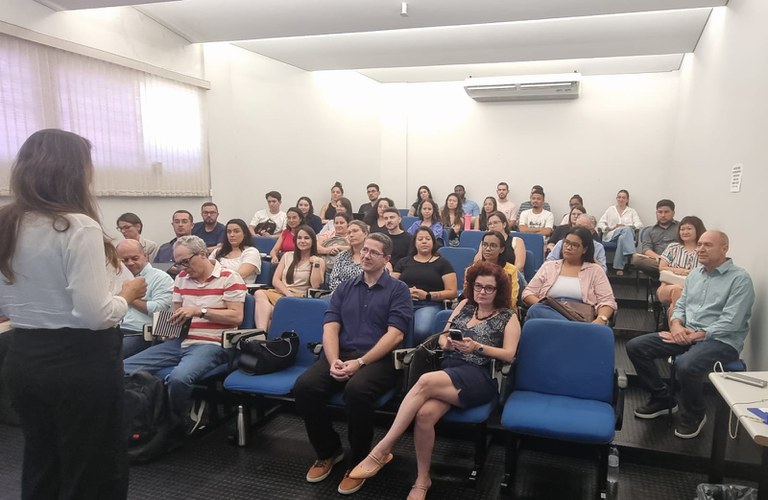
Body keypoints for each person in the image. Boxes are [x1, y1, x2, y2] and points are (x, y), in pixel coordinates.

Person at [0, 129, 147, 499]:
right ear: (73, 170)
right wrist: (127, 294)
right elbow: (96, 314)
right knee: (93, 471)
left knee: (42, 463)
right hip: (80, 362)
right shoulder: (76, 225)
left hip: (25, 357)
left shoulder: (6, 223)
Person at [348, 261, 519, 499]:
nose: (482, 291)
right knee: (425, 415)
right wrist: (447, 343)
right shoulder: (464, 305)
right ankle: (422, 480)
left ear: (498, 290)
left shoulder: (508, 316)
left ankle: (382, 450)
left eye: (489, 288)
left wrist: (477, 347)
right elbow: (441, 337)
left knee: (425, 381)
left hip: (478, 377)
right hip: (449, 370)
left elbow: (509, 354)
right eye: (478, 286)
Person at [293, 233, 413, 495]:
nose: (366, 256)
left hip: (379, 359)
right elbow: (330, 326)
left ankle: (359, 460)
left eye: (373, 252)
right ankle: (329, 451)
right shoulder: (345, 287)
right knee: (304, 387)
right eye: (365, 250)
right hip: (343, 353)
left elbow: (396, 335)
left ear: (387, 258)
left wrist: (360, 362)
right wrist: (334, 359)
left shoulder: (398, 290)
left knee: (357, 391)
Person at [626, 230, 754, 439]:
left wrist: (694, 335)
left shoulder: (740, 279)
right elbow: (681, 306)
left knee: (686, 365)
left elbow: (731, 322)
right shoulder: (695, 275)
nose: (700, 249)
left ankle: (695, 414)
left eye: (707, 245)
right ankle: (663, 398)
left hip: (721, 341)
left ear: (725, 248)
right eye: (699, 244)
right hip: (685, 333)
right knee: (636, 346)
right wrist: (676, 326)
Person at [124, 235, 246, 432]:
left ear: (202, 254)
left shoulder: (229, 277)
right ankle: (146, 414)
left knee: (179, 378)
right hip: (181, 341)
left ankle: (174, 422)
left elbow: (236, 316)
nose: (182, 268)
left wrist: (200, 311)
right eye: (178, 263)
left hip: (212, 343)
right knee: (124, 368)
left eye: (186, 262)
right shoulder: (181, 279)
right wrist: (166, 330)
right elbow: (176, 316)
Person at [523, 228, 617, 325]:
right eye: (566, 243)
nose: (568, 247)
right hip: (548, 312)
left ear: (584, 249)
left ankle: (573, 327)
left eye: (575, 245)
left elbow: (607, 301)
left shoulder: (595, 270)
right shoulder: (549, 266)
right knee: (535, 310)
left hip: (580, 315)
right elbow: (528, 293)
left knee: (536, 311)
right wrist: (545, 305)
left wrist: (601, 319)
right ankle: (575, 328)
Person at [393, 226, 458, 343]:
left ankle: (417, 353)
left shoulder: (443, 263)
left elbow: (452, 292)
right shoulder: (403, 262)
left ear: (433, 242)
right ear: (414, 243)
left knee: (421, 330)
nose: (424, 241)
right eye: (420, 239)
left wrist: (427, 295)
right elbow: (391, 286)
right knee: (391, 328)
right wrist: (405, 291)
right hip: (403, 303)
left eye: (427, 239)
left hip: (429, 304)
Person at [253, 226, 326, 329]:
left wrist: (316, 264)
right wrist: (288, 294)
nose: (302, 241)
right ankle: (262, 332)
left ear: (313, 241)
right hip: (283, 294)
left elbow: (315, 285)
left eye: (306, 238)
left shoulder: (319, 261)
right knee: (259, 293)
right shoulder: (287, 256)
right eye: (299, 238)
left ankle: (263, 331)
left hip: (300, 297)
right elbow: (275, 280)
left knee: (267, 312)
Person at [117, 239, 174, 358]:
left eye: (135, 258)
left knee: (107, 356)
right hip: (114, 331)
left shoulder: (161, 278)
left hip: (141, 334)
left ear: (145, 256)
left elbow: (159, 310)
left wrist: (128, 296)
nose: (130, 263)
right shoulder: (115, 278)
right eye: (124, 260)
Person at [655, 216, 706, 321]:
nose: (685, 232)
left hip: (693, 290)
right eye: (682, 229)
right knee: (677, 290)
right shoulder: (673, 248)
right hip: (667, 287)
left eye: (689, 229)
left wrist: (690, 273)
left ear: (698, 230)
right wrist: (680, 271)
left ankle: (675, 327)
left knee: (673, 307)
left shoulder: (703, 251)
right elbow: (662, 267)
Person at [468, 231, 520, 312]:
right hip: (477, 309)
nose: (487, 249)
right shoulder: (474, 268)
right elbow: (469, 295)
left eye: (493, 246)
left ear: (501, 249)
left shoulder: (511, 270)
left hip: (503, 310)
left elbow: (511, 300)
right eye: (485, 245)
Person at [597, 189, 643, 276]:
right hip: (612, 235)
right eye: (619, 197)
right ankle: (632, 254)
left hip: (626, 236)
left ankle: (619, 268)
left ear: (627, 200)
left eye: (623, 198)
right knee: (625, 230)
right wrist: (609, 228)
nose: (621, 199)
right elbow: (600, 224)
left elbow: (639, 224)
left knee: (623, 236)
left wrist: (627, 226)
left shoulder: (631, 211)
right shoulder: (610, 209)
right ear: (616, 198)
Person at [631, 199, 679, 277]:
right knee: (636, 259)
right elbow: (646, 249)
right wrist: (660, 258)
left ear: (673, 213)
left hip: (677, 260)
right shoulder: (649, 231)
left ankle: (667, 271)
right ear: (656, 213)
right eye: (660, 212)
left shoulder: (681, 228)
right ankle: (669, 270)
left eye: (666, 212)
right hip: (657, 261)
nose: (663, 215)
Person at [210, 218, 262, 284]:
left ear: (244, 234)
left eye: (236, 231)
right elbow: (206, 271)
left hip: (238, 288)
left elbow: (239, 275)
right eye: (229, 232)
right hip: (213, 285)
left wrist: (218, 269)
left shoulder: (251, 252)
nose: (231, 235)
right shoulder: (217, 251)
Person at [328, 220, 369, 292]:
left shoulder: (370, 256)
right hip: (341, 294)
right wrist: (345, 292)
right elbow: (333, 280)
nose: (351, 235)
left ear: (365, 233)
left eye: (355, 231)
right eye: (349, 233)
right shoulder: (342, 255)